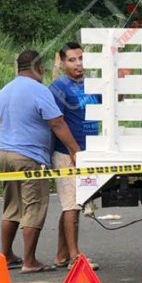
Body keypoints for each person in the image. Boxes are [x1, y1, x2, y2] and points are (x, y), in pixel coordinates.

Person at [0, 51, 80, 274]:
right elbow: (57, 123)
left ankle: (7, 255)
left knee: (12, 206)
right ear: (39, 68)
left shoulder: (4, 91)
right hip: (30, 157)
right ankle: (29, 261)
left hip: (5, 155)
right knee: (34, 207)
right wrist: (74, 150)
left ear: (19, 68)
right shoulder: (39, 90)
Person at [49, 43, 101, 270]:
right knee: (71, 204)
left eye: (81, 58)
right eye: (72, 60)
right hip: (67, 153)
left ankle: (61, 255)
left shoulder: (93, 85)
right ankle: (74, 257)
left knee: (73, 203)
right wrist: (73, 150)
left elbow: (111, 103)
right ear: (62, 63)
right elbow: (57, 122)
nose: (78, 64)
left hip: (89, 151)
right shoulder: (58, 88)